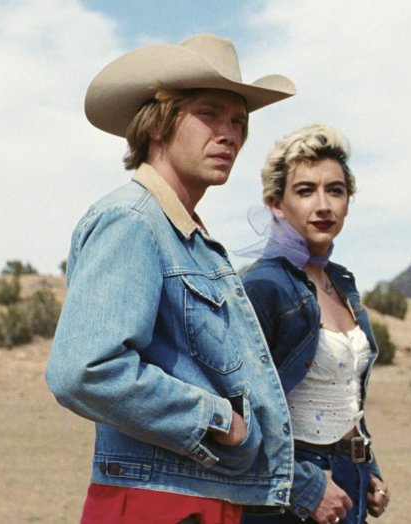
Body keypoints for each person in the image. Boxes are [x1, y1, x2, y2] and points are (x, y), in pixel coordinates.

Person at [45, 34, 297, 524]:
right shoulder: (132, 220)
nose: (230, 134)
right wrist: (220, 422)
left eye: (239, 122)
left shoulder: (185, 233)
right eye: (210, 114)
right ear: (159, 123)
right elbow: (84, 371)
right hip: (158, 502)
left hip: (198, 495)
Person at [238, 124, 391, 524]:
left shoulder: (341, 282)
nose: (323, 205)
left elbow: (342, 390)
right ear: (276, 203)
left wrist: (366, 464)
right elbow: (241, 409)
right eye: (305, 191)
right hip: (292, 484)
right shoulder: (263, 286)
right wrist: (299, 484)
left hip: (348, 477)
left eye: (335, 191)